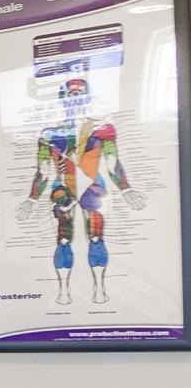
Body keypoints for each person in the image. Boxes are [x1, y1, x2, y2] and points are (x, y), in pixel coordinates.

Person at [24, 72, 143, 303]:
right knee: (63, 240)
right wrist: (32, 198)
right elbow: (43, 169)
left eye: (80, 94)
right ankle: (64, 291)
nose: (75, 98)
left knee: (96, 238)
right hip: (63, 189)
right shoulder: (49, 134)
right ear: (63, 99)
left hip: (93, 188)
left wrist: (126, 188)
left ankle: (99, 289)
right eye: (70, 94)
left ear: (87, 98)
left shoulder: (103, 129)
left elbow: (112, 162)